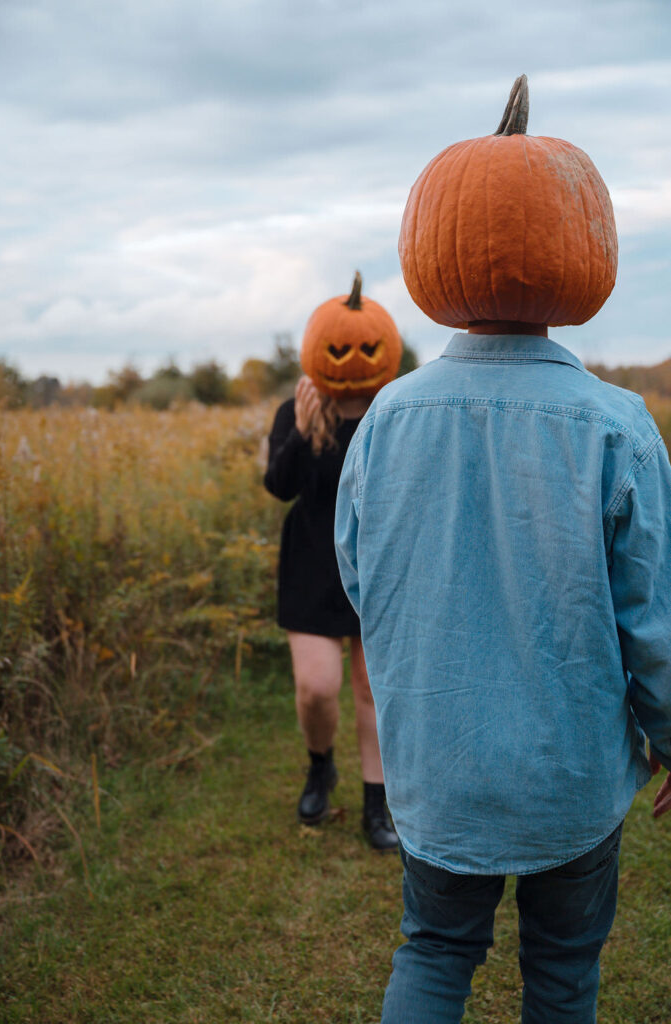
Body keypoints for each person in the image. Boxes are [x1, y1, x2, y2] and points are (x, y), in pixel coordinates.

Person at [335, 78, 671, 1022]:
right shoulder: (616, 425)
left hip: (435, 761)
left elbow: (362, 579)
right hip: (568, 770)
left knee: (435, 953)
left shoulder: (389, 416)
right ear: (581, 253)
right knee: (562, 970)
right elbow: (650, 616)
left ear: (435, 252)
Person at [264, 273, 402, 851]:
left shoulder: (395, 412)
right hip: (312, 566)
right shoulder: (298, 410)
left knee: (375, 690)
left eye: (364, 347)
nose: (353, 357)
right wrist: (298, 430)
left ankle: (379, 804)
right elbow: (278, 485)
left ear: (384, 350)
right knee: (316, 687)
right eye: (341, 347)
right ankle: (321, 765)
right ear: (319, 349)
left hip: (379, 567)